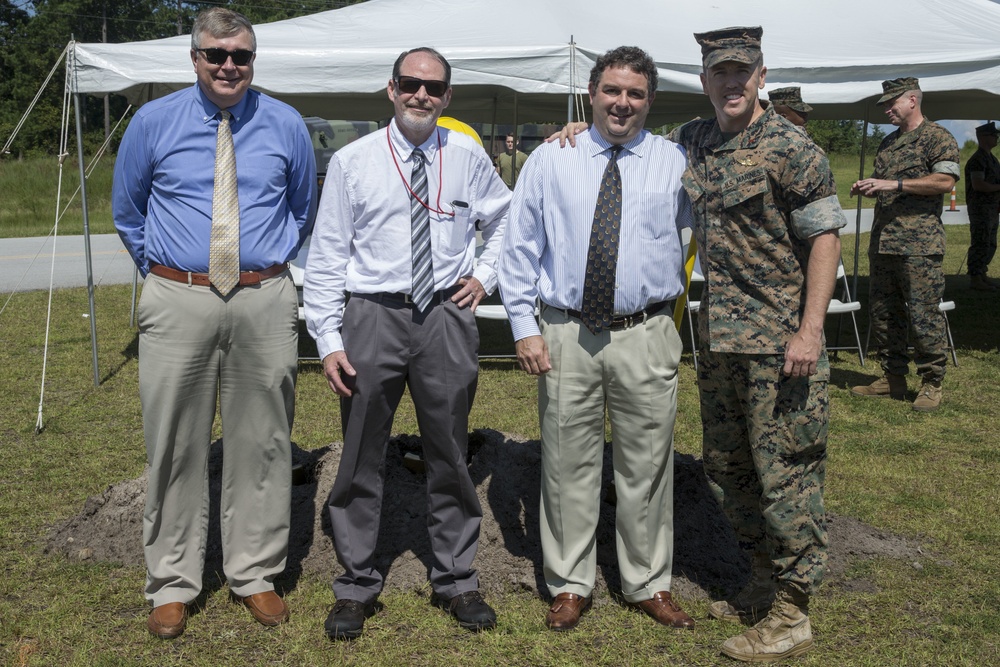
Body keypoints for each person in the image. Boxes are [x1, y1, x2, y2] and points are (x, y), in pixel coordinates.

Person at [112, 7, 316, 640]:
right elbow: (129, 212)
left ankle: (254, 572)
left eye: (242, 56)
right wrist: (171, 277)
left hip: (262, 298)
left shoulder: (286, 124)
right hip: (179, 298)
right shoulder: (152, 122)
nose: (230, 66)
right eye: (216, 54)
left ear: (254, 60)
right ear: (194, 57)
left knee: (264, 440)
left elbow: (301, 210)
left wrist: (264, 270)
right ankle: (172, 582)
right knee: (174, 441)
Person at [303, 46, 509, 640]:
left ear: (447, 97)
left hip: (445, 315)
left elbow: (504, 216)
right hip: (373, 315)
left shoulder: (466, 154)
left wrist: (484, 275)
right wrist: (328, 337)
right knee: (362, 451)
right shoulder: (352, 161)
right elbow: (327, 255)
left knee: (448, 447)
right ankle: (356, 583)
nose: (422, 95)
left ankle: (456, 577)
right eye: (410, 84)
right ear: (390, 89)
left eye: (435, 88)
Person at [498, 46, 695, 633]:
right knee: (565, 463)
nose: (622, 103)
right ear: (591, 93)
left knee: (648, 465)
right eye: (612, 91)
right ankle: (569, 582)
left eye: (635, 94)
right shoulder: (550, 158)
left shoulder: (675, 162)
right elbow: (520, 247)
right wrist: (524, 327)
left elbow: (696, 236)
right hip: (565, 332)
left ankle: (647, 582)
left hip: (646, 332)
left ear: (650, 101)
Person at [668, 26, 845, 662]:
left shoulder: (792, 149)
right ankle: (764, 580)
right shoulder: (693, 140)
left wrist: (810, 330)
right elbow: (630, 152)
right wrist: (573, 132)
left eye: (744, 71)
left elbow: (824, 240)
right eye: (721, 72)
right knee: (727, 468)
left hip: (781, 344)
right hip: (719, 341)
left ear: (762, 76)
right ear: (705, 80)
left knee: (786, 474)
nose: (733, 81)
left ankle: (794, 610)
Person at [850, 77, 960, 412]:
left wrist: (894, 183)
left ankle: (931, 382)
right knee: (884, 313)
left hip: (919, 243)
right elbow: (885, 185)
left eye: (891, 103)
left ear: (912, 99)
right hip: (885, 241)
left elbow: (944, 181)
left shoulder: (937, 138)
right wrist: (870, 186)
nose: (886, 109)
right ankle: (892, 377)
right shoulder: (887, 143)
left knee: (923, 314)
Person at [964, 121, 1000, 291]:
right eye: (994, 135)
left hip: (991, 209)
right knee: (980, 242)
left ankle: (982, 274)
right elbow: (978, 184)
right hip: (980, 209)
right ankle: (975, 277)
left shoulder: (992, 159)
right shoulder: (978, 160)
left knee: (990, 243)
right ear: (983, 137)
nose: (997, 138)